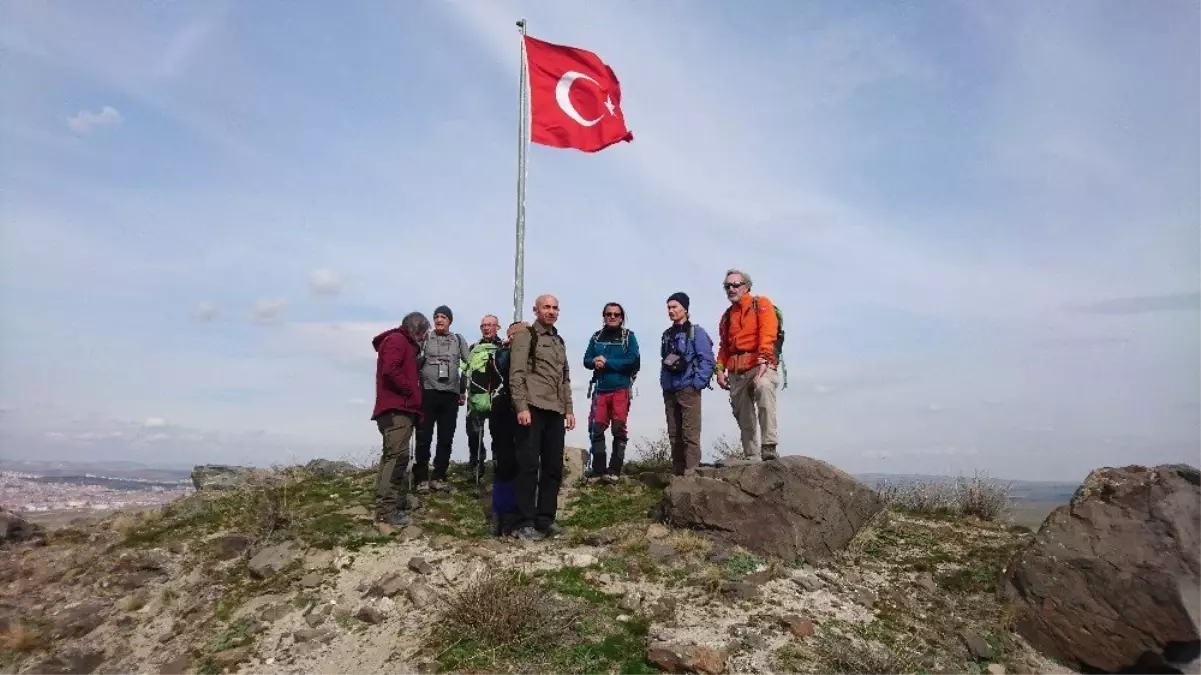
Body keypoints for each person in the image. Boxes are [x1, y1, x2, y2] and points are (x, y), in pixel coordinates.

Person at [508, 294, 575, 540]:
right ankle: (523, 521)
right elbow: (516, 374)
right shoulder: (526, 336)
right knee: (528, 466)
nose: (551, 311)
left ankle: (545, 519)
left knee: (553, 468)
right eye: (546, 307)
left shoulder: (559, 341)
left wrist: (568, 409)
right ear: (536, 310)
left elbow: (564, 378)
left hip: (555, 411)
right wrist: (521, 406)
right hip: (532, 407)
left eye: (555, 308)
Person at [370, 311, 429, 534]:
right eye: (423, 333)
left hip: (398, 409)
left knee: (392, 456)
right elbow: (390, 370)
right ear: (416, 330)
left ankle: (388, 503)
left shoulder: (400, 342)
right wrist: (410, 391)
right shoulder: (396, 341)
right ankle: (386, 511)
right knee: (397, 457)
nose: (423, 338)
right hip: (396, 410)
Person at [715, 269, 781, 461]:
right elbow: (724, 347)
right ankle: (751, 456)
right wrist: (719, 369)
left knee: (764, 387)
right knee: (743, 415)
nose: (731, 289)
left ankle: (769, 445)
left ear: (746, 287)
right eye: (727, 286)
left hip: (760, 362)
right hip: (736, 369)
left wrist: (764, 357)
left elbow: (768, 331)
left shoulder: (761, 304)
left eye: (735, 285)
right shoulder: (726, 317)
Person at [413, 305, 470, 492]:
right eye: (436, 316)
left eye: (443, 317)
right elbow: (414, 360)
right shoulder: (426, 338)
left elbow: (468, 365)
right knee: (424, 436)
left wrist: (463, 390)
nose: (439, 320)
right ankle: (421, 478)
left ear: (450, 320)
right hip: (428, 392)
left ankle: (439, 476)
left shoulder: (458, 339)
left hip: (450, 394)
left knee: (446, 437)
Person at [582, 302, 640, 483]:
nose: (612, 317)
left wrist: (607, 362)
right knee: (596, 429)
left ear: (622, 317)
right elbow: (586, 359)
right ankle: (599, 471)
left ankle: (614, 470)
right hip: (600, 389)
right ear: (604, 316)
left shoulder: (629, 337)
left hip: (620, 389)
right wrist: (595, 362)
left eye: (616, 314)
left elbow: (633, 360)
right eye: (609, 314)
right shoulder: (596, 337)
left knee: (618, 429)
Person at [659, 292, 715, 476]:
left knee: (690, 433)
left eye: (674, 307)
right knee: (674, 433)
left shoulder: (696, 332)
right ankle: (677, 472)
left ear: (685, 308)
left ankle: (692, 474)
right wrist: (664, 383)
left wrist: (696, 383)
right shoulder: (667, 334)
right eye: (669, 307)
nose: (671, 311)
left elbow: (707, 360)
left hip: (688, 388)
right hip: (670, 390)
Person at [489, 320, 527, 536]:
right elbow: (504, 370)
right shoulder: (501, 355)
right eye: (521, 335)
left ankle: (520, 512)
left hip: (526, 412)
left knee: (525, 463)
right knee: (505, 463)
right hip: (504, 412)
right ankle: (502, 513)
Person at [464, 314, 503, 477]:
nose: (486, 328)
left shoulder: (504, 348)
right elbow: (466, 370)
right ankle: (476, 465)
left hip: (497, 397)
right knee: (473, 434)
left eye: (490, 325)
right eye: (483, 326)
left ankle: (498, 464)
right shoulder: (473, 348)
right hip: (476, 396)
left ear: (497, 328)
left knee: (499, 434)